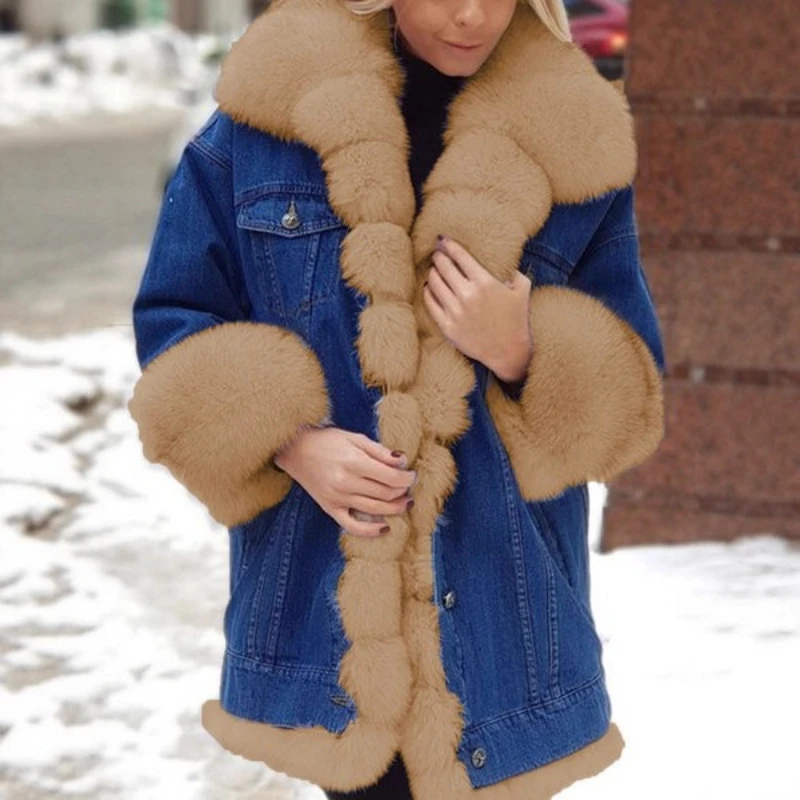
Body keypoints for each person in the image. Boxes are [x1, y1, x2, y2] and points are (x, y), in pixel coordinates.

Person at [127, 0, 667, 798]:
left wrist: (523, 349)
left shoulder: (574, 143)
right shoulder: (262, 124)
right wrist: (290, 441)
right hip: (332, 617)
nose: (471, 13)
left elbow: (630, 406)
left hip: (504, 626)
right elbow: (176, 319)